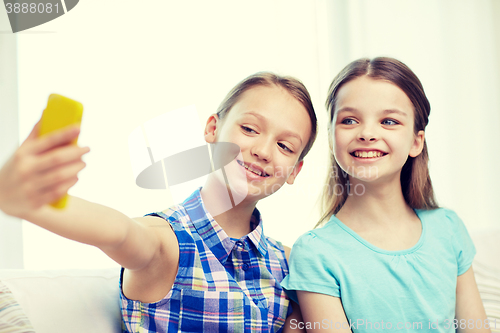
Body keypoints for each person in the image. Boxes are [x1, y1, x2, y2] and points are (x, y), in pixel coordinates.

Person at [0, 72, 317, 333]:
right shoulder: (166, 241)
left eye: (285, 146)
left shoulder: (290, 263)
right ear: (212, 128)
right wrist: (32, 202)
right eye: (249, 129)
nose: (262, 150)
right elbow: (121, 232)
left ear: (295, 170)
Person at [281, 58, 491, 333]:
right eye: (349, 120)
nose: (367, 133)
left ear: (416, 142)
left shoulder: (448, 229)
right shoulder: (315, 253)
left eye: (389, 121)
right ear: (331, 138)